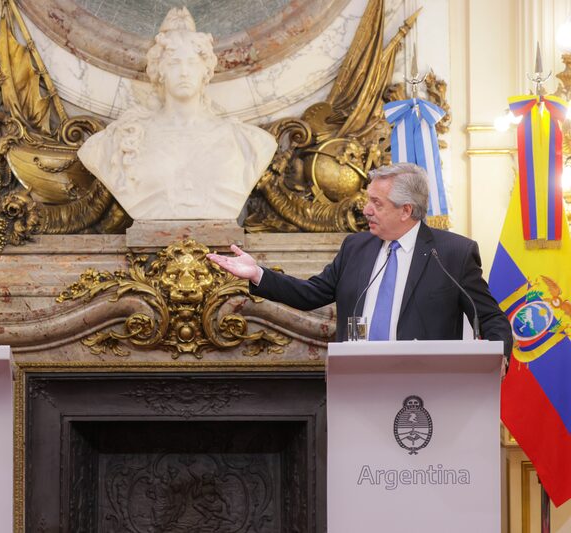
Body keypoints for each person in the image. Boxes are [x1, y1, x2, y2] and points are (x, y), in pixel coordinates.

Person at [207, 162, 513, 357]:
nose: (365, 209)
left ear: (406, 210)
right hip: (358, 383)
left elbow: (489, 316)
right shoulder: (356, 246)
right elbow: (311, 293)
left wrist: (500, 355)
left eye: (376, 203)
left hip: (426, 387)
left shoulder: (452, 254)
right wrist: (257, 273)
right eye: (368, 200)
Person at [77, 7, 277, 221]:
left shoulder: (248, 141)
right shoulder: (123, 139)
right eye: (174, 63)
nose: (184, 72)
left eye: (192, 63)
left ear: (206, 71)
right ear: (160, 71)